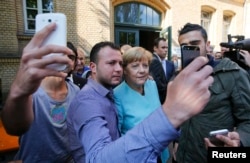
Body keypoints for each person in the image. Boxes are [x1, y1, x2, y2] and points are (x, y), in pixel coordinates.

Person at [67, 40, 214, 162]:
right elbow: (98, 158)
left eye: (120, 63)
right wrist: (170, 116)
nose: (118, 68)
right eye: (111, 63)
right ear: (93, 67)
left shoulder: (142, 86)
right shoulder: (87, 102)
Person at [1, 23, 80, 162]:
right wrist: (18, 93)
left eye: (71, 57)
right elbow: (13, 127)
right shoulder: (31, 91)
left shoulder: (76, 91)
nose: (65, 60)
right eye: (60, 55)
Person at [174, 23, 250, 163]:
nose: (191, 49)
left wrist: (239, 141)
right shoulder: (181, 77)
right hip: (183, 156)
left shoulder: (233, 74)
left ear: (208, 45)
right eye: (185, 46)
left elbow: (248, 120)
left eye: (195, 43)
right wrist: (177, 140)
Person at [114, 46, 169, 163]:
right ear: (125, 70)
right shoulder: (117, 94)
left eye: (145, 65)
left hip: (160, 152)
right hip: (136, 157)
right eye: (135, 66)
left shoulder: (152, 85)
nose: (142, 70)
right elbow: (116, 135)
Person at [149, 37, 175, 104]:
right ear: (155, 48)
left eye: (167, 48)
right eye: (163, 47)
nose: (166, 50)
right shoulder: (152, 61)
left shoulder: (171, 64)